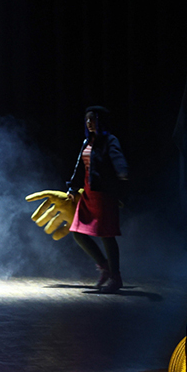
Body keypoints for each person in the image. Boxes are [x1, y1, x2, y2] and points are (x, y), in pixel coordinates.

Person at [66, 106, 128, 293]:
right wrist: (72, 187)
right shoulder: (87, 141)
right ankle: (105, 267)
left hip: (103, 193)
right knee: (78, 233)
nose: (89, 123)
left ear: (101, 121)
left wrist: (122, 173)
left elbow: (118, 159)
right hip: (88, 193)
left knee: (106, 234)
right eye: (87, 120)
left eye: (93, 119)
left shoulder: (110, 140)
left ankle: (115, 278)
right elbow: (80, 167)